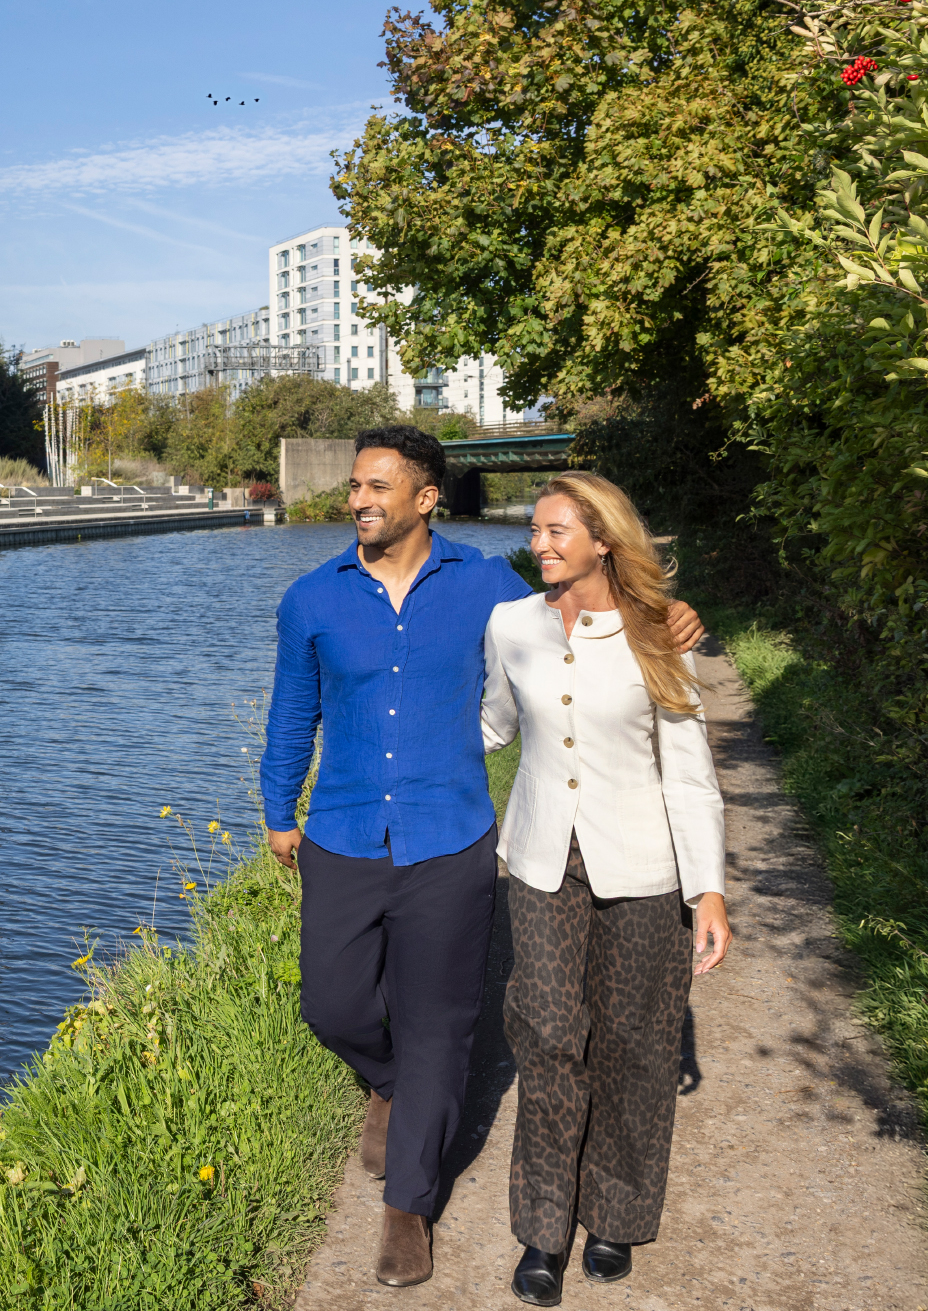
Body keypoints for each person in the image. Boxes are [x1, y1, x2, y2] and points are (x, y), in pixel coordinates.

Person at [263, 427, 700, 1288]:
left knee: (440, 1026)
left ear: (426, 498)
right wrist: (280, 813)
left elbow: (585, 607)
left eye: (376, 487)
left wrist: (671, 616)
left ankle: (408, 1209)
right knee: (333, 1006)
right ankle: (386, 1085)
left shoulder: (488, 592)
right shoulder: (310, 599)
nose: (357, 500)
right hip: (343, 833)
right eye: (355, 485)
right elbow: (290, 716)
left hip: (453, 840)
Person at [480, 471, 729, 1307]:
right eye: (535, 530)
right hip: (543, 857)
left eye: (555, 531)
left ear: (603, 541)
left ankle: (616, 1214)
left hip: (643, 865)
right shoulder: (510, 624)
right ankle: (543, 1232)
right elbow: (493, 726)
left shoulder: (661, 632)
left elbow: (690, 775)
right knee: (548, 1032)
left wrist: (710, 892)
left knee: (634, 1042)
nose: (539, 545)